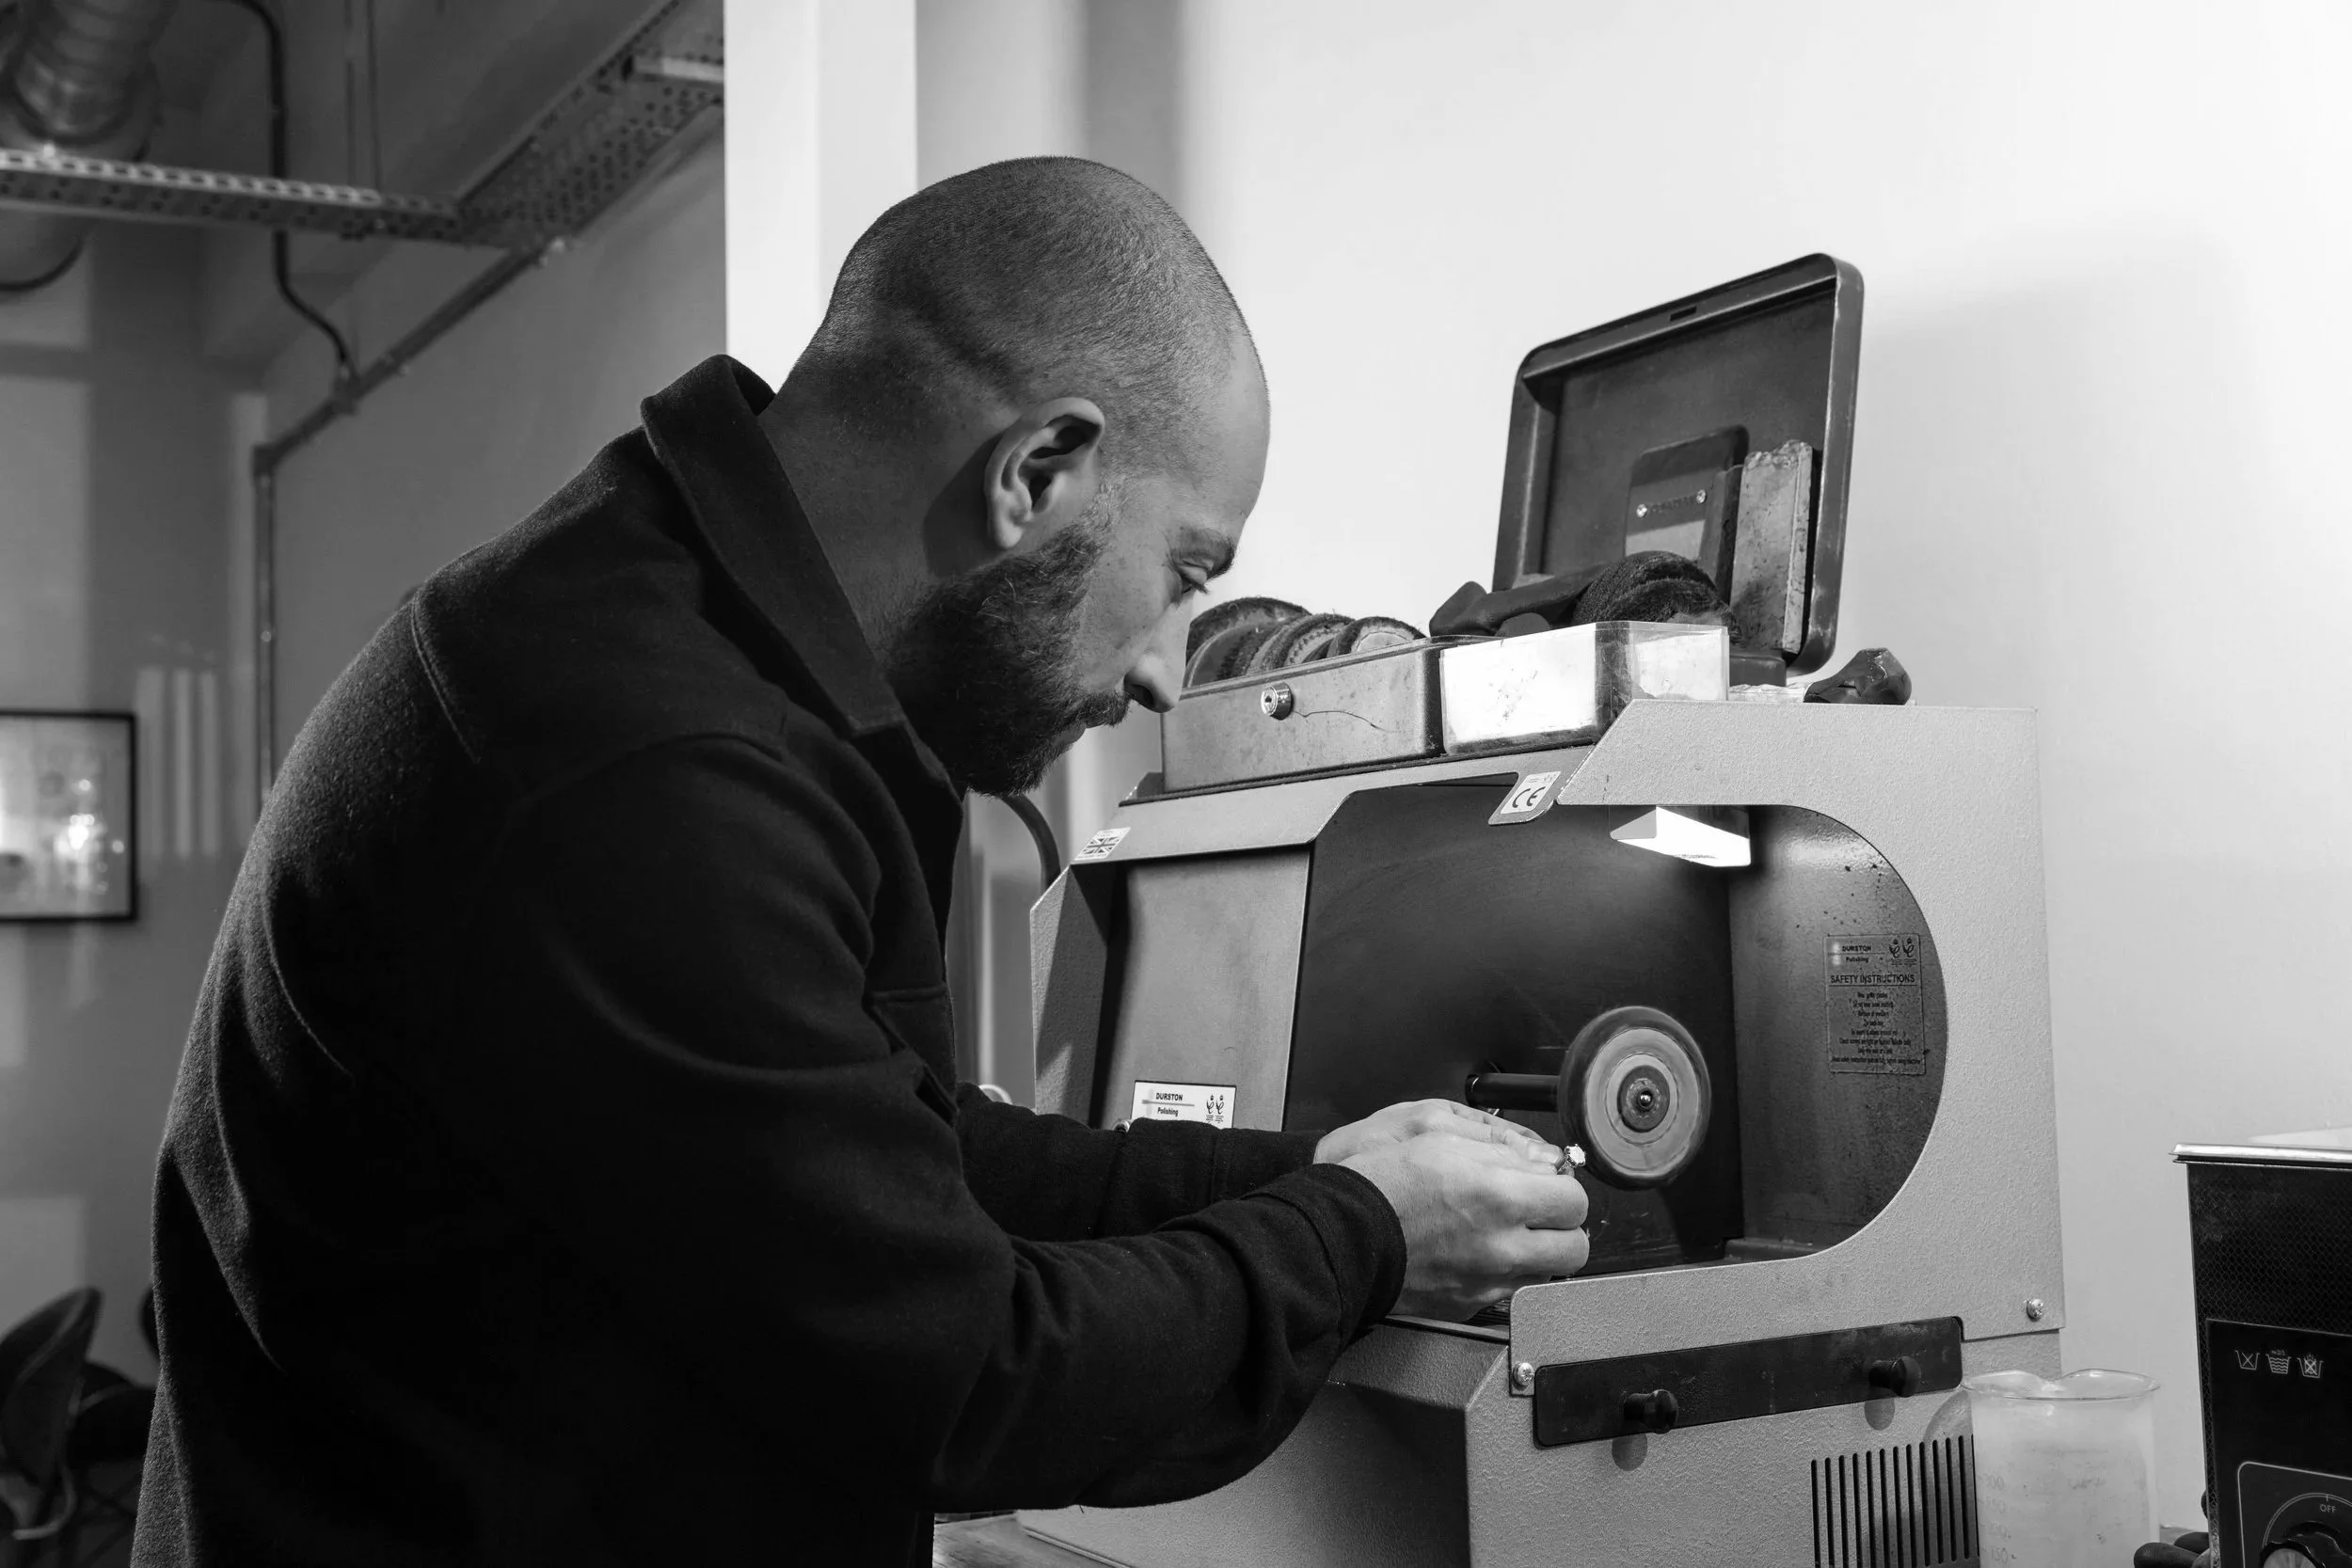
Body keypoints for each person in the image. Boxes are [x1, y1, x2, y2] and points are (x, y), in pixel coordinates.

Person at [134, 156, 1588, 1568]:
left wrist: (1315, 1169)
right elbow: (965, 1376)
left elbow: (903, 1154)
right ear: (1036, 471)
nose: (1163, 667)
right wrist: (1361, 1235)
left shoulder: (703, 646)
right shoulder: (640, 763)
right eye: (1184, 574)